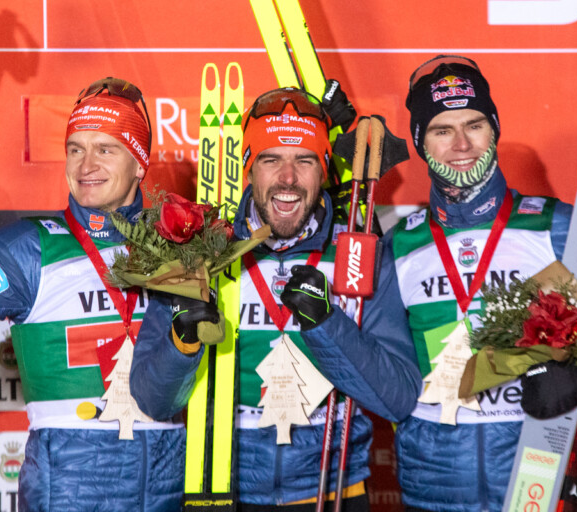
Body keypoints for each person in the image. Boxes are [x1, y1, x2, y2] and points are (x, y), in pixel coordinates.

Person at [377, 55, 577, 511]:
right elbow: (382, 372)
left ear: (494, 129)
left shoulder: (556, 226)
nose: (462, 144)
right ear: (421, 142)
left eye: (475, 124)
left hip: (536, 476)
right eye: (442, 130)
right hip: (434, 487)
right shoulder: (398, 245)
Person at [130, 86, 423, 511]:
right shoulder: (201, 251)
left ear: (324, 169)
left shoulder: (358, 254)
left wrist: (328, 325)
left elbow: (396, 399)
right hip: (225, 491)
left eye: (304, 160)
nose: (287, 178)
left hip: (332, 493)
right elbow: (153, 402)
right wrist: (181, 344)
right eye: (271, 160)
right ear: (249, 169)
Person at [0, 77, 203, 511]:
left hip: (166, 487)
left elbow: (171, 393)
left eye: (105, 149)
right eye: (75, 149)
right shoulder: (30, 248)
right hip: (69, 490)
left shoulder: (177, 248)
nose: (85, 165)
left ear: (139, 163)